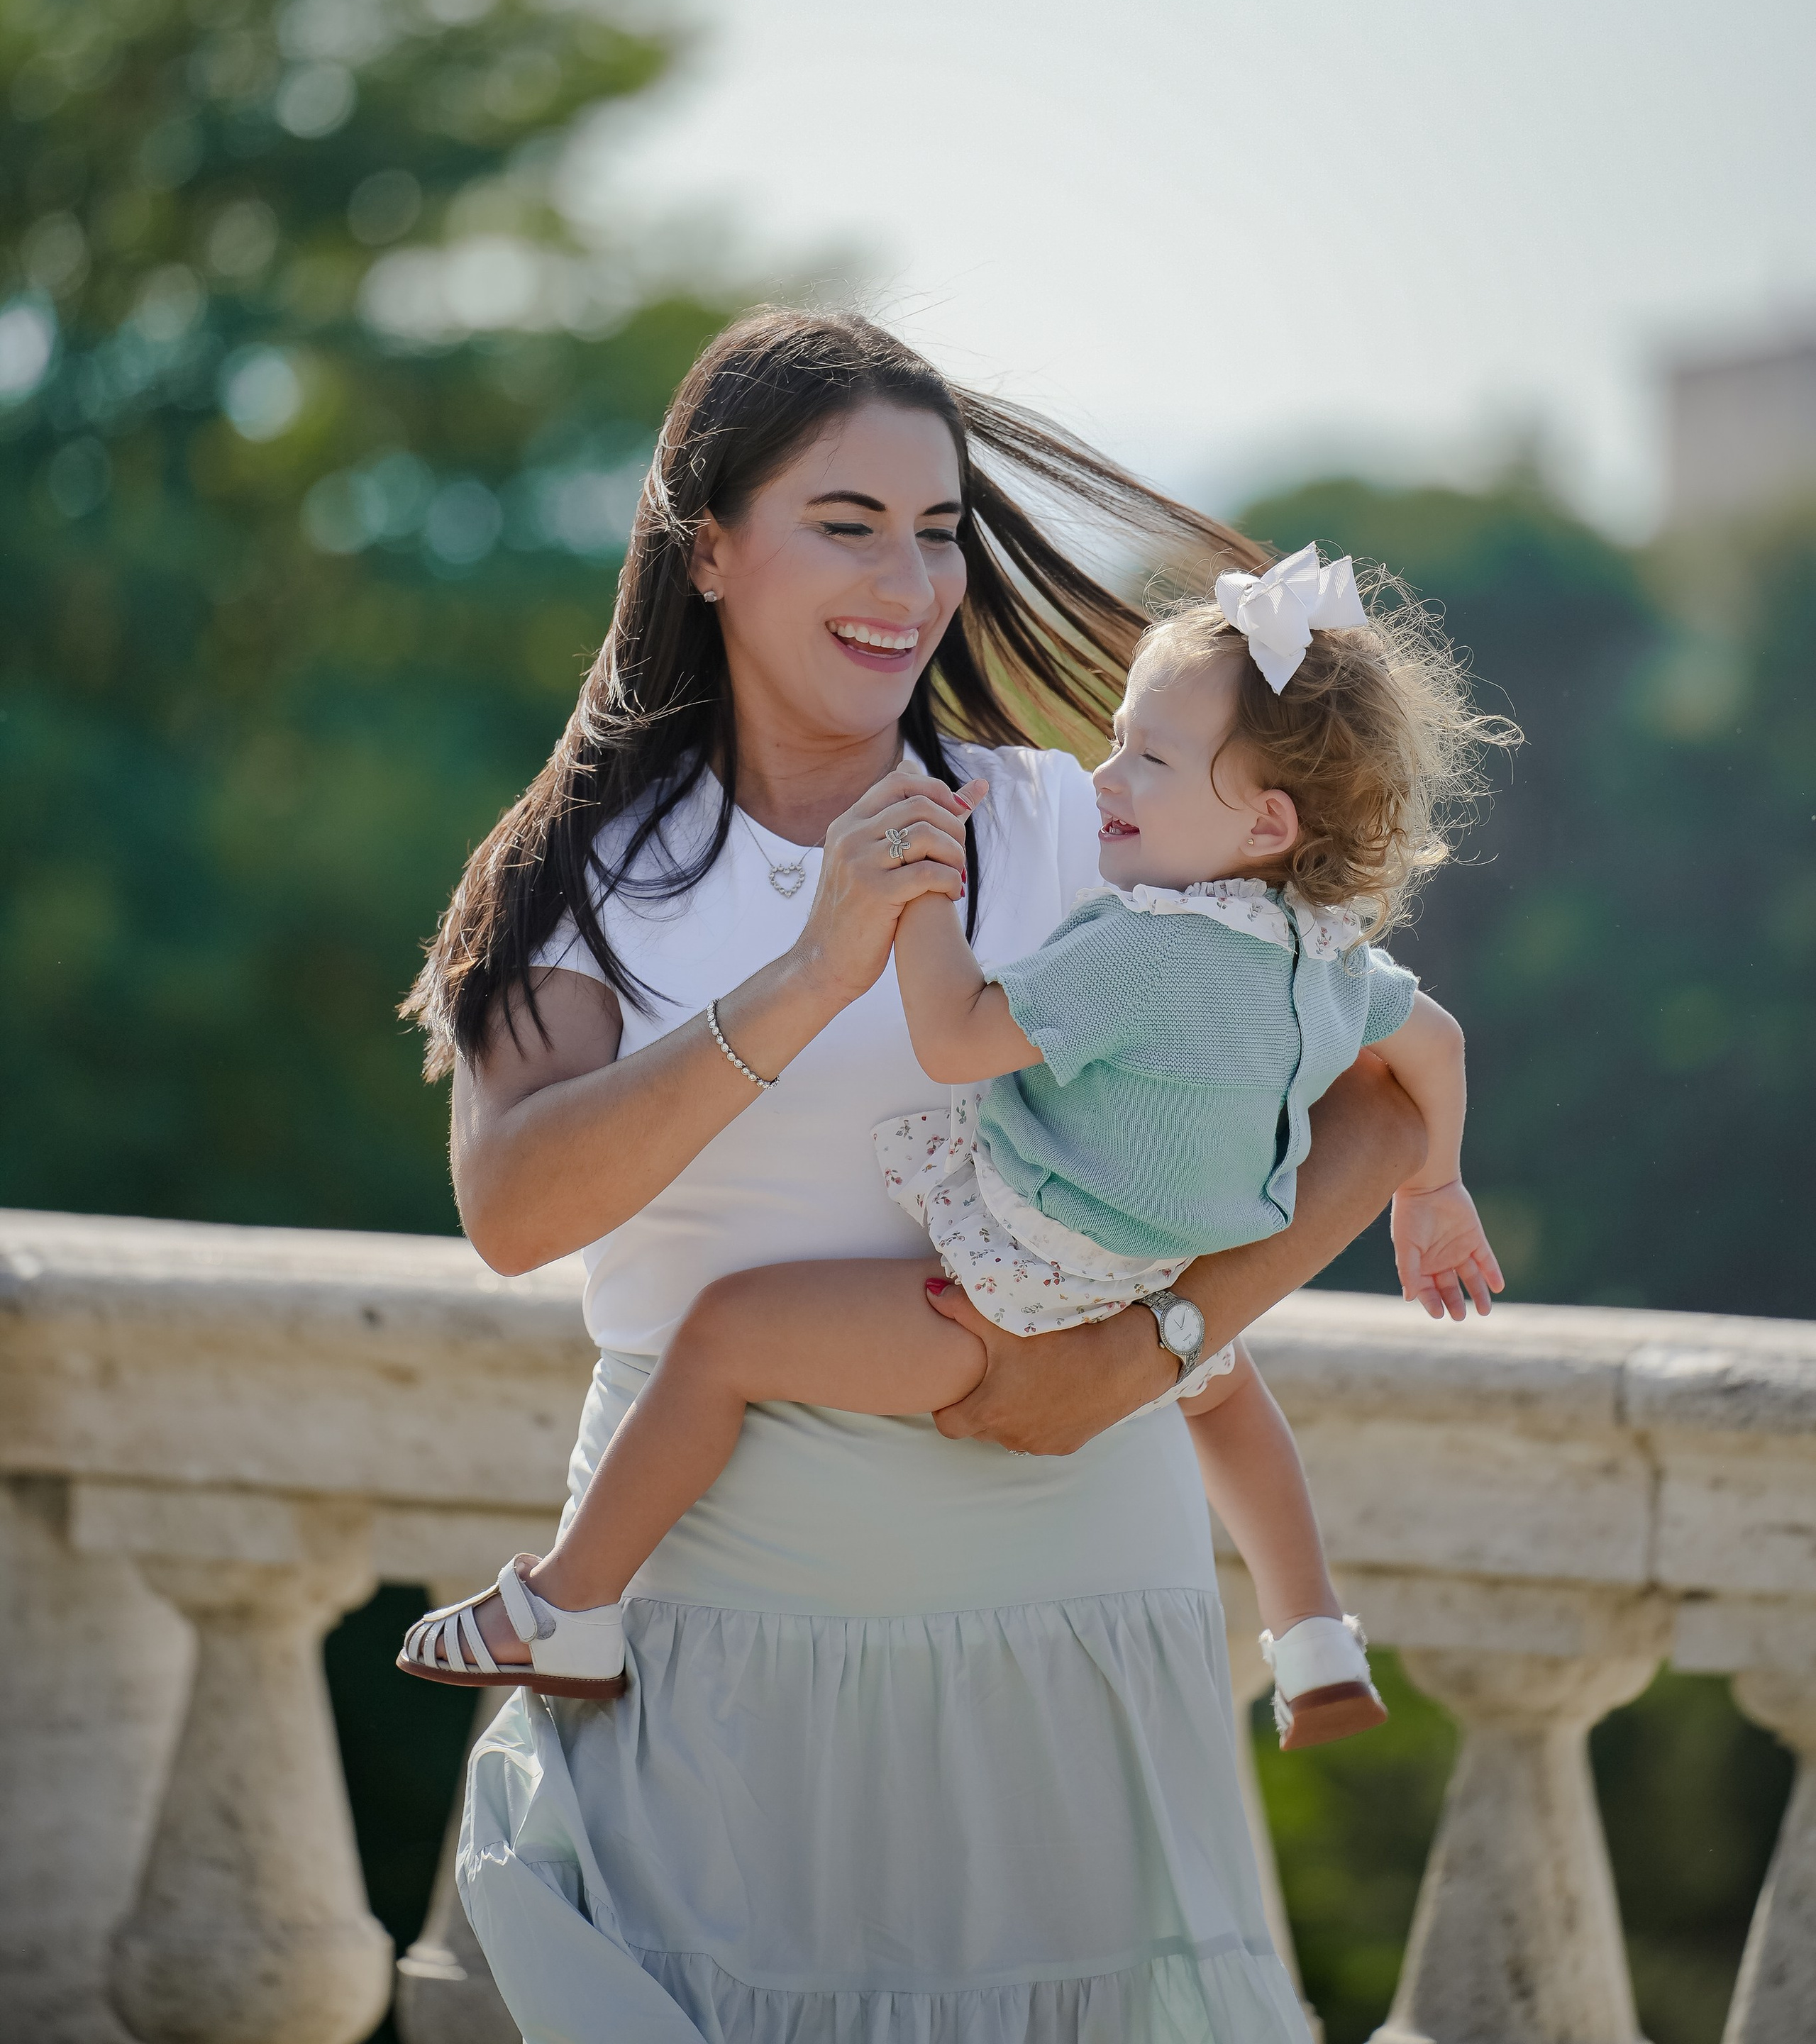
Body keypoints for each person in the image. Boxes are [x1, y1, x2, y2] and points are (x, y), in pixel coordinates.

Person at [402, 307, 1439, 2043]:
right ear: (708, 548)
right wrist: (813, 972)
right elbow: (516, 1212)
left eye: (939, 529)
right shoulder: (577, 873)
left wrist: (1154, 1350)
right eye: (847, 524)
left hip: (1071, 1637)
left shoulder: (1077, 829)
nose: (907, 581)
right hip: (723, 1658)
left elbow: (1383, 1107)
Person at [400, 545, 1507, 1755]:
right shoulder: (1330, 957)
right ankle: (1314, 1639)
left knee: (722, 1337)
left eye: (1147, 757)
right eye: (1117, 741)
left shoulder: (1141, 942)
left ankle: (569, 1606)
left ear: (1266, 818)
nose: (1106, 774)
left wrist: (924, 897)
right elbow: (1438, 1051)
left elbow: (956, 1037)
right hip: (1161, 1282)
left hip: (1030, 1282)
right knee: (1229, 1397)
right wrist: (1438, 1188)